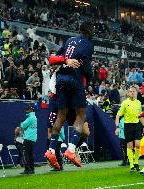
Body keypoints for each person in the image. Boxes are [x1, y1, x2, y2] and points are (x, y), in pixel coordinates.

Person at [44, 20, 94, 169]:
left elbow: (52, 58)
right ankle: (71, 149)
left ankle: (51, 150)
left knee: (61, 115)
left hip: (61, 81)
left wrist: (65, 59)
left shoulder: (70, 40)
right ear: (90, 31)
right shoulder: (88, 45)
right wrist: (90, 77)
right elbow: (86, 67)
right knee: (82, 115)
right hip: (75, 80)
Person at [115, 85, 144, 172]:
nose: (132, 93)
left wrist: (143, 126)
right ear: (128, 93)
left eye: (134, 91)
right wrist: (117, 127)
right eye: (131, 91)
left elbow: (141, 116)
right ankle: (131, 165)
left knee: (137, 144)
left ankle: (136, 162)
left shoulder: (138, 103)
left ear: (136, 92)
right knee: (129, 145)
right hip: (128, 126)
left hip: (136, 125)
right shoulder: (125, 103)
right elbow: (118, 115)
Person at [21, 105, 37, 174]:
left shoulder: (30, 117)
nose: (26, 110)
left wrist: (22, 124)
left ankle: (27, 169)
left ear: (31, 110)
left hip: (28, 138)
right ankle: (32, 169)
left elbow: (22, 125)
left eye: (27, 109)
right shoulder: (34, 117)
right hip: (32, 138)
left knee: (26, 154)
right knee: (30, 154)